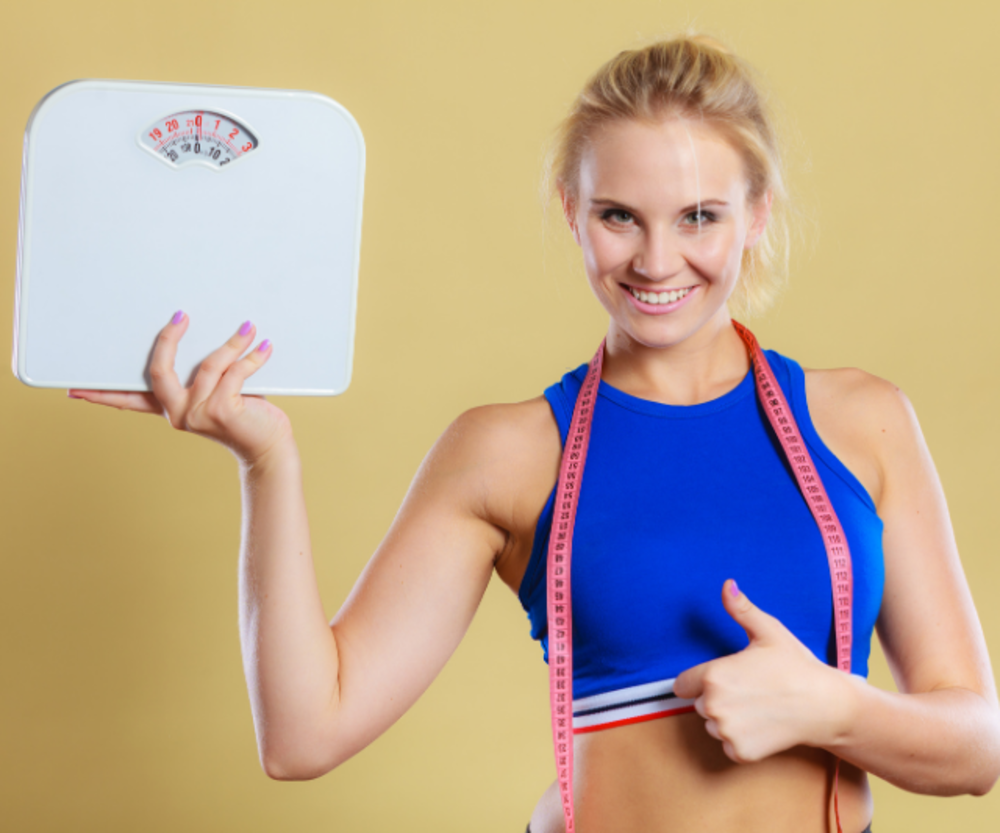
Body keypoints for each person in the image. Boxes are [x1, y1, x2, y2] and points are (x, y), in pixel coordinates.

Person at [69, 35, 1000, 833]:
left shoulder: (862, 421)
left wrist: (834, 706)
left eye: (700, 217)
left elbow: (975, 749)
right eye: (618, 217)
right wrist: (265, 458)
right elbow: (305, 735)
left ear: (756, 215)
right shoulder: (510, 452)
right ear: (571, 211)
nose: (656, 259)